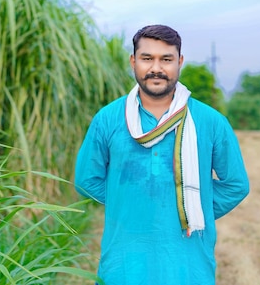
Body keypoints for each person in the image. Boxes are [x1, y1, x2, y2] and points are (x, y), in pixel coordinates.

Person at [74, 24, 249, 285]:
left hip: (189, 267)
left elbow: (236, 185)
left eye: (166, 59)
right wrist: (128, 203)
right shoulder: (108, 119)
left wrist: (190, 209)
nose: (156, 68)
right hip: (123, 265)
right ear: (133, 62)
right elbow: (86, 180)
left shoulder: (211, 122)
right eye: (147, 58)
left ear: (179, 62)